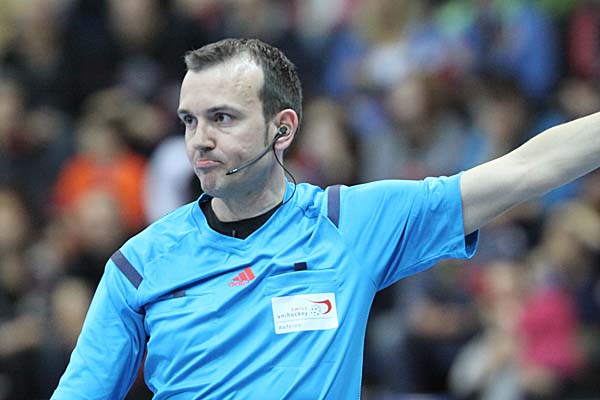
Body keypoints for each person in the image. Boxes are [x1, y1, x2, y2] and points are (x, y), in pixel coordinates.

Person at [51, 38, 600, 399]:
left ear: (283, 129)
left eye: (222, 118)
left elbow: (526, 170)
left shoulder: (349, 223)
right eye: (190, 120)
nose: (200, 141)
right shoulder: (138, 265)